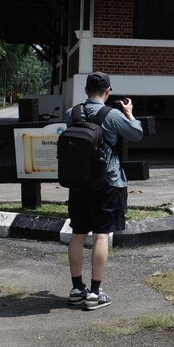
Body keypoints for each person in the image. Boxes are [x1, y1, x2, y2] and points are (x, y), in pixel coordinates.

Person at [64, 71, 143, 310]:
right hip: (107, 182)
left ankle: (77, 289)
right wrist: (130, 113)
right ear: (108, 91)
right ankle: (95, 293)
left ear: (85, 91)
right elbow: (137, 134)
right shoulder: (112, 115)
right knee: (100, 235)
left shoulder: (72, 113)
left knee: (78, 234)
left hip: (79, 182)